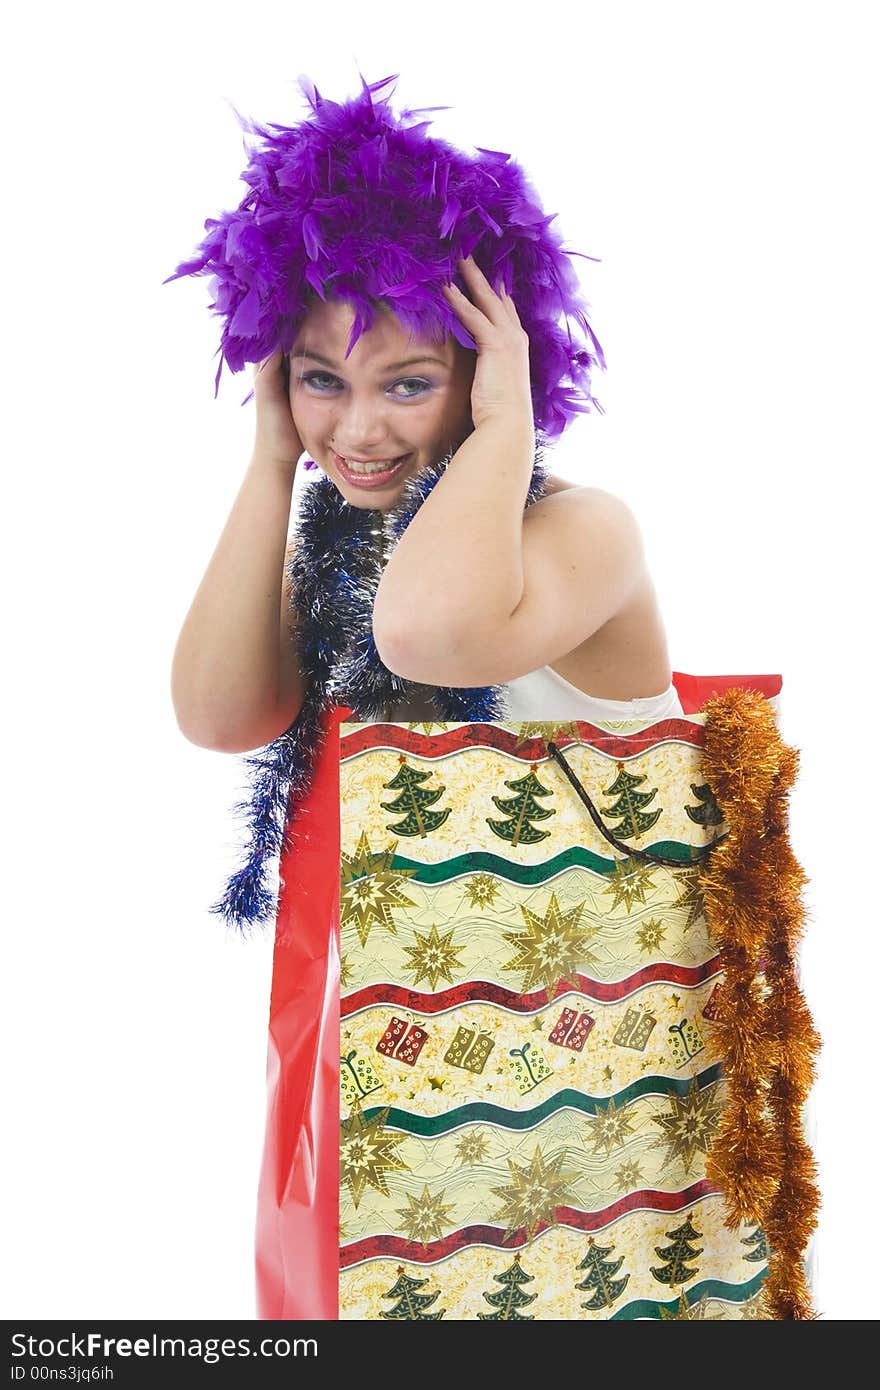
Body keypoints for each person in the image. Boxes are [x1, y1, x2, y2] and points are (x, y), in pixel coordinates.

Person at [167, 71, 685, 932]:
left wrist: (503, 428)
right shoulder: (347, 549)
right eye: (322, 379)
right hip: (415, 1024)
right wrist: (270, 460)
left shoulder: (589, 530)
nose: (359, 430)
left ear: (489, 375)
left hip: (591, 1024)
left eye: (408, 384)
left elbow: (430, 634)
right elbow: (219, 717)